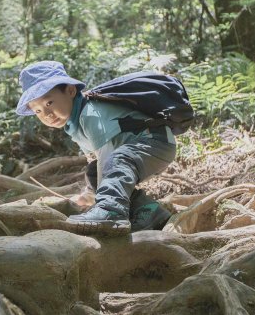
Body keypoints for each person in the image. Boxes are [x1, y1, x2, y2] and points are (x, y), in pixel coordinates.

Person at [17, 60, 175, 235]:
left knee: (115, 162)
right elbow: (96, 160)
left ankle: (110, 213)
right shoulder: (74, 125)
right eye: (38, 111)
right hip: (135, 150)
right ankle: (151, 212)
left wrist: (101, 202)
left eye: (49, 103)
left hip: (154, 142)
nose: (46, 114)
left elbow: (106, 156)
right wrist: (89, 193)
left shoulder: (90, 112)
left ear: (70, 90)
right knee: (93, 171)